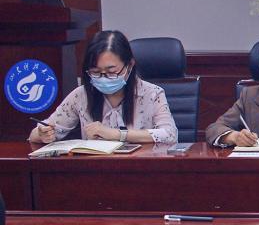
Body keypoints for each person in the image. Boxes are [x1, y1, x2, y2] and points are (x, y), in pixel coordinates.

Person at [28, 30, 178, 144]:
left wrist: (117, 134)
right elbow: (38, 133)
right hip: (95, 170)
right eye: (95, 72)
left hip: (139, 169)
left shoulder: (153, 94)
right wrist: (42, 134)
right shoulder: (80, 95)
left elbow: (170, 135)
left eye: (111, 72)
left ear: (130, 65)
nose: (103, 78)